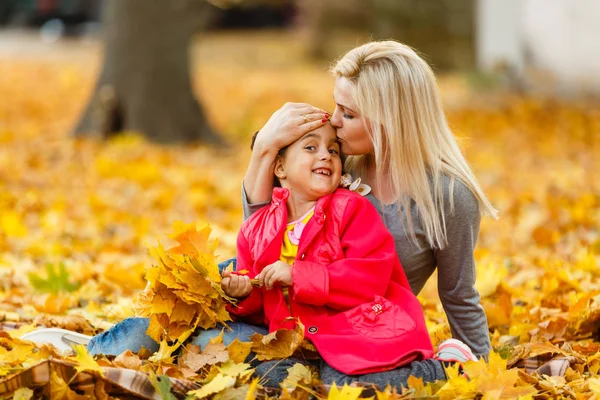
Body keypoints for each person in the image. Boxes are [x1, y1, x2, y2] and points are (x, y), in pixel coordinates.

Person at [242, 40, 497, 384]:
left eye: (348, 114)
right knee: (193, 332)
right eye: (337, 106)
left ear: (391, 121)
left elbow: (459, 295)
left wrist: (487, 376)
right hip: (287, 312)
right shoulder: (336, 161)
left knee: (327, 380)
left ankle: (441, 371)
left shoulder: (448, 197)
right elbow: (265, 231)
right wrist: (264, 148)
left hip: (359, 333)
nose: (334, 121)